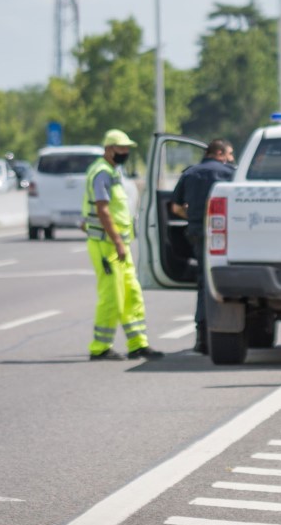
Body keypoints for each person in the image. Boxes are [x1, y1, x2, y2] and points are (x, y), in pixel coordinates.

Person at [83, 129, 163, 361]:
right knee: (112, 297)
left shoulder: (112, 171)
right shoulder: (101, 173)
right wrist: (117, 241)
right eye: (122, 149)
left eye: (127, 148)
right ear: (109, 149)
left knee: (132, 294)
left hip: (119, 244)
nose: (125, 152)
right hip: (107, 245)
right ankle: (100, 347)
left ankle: (138, 344)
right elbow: (102, 209)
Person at [170, 138, 236, 354]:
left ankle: (202, 339)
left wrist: (194, 216)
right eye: (229, 154)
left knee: (203, 283)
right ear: (219, 153)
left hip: (198, 233)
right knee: (224, 283)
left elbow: (175, 207)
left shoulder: (190, 173)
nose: (231, 158)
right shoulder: (230, 173)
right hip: (225, 235)